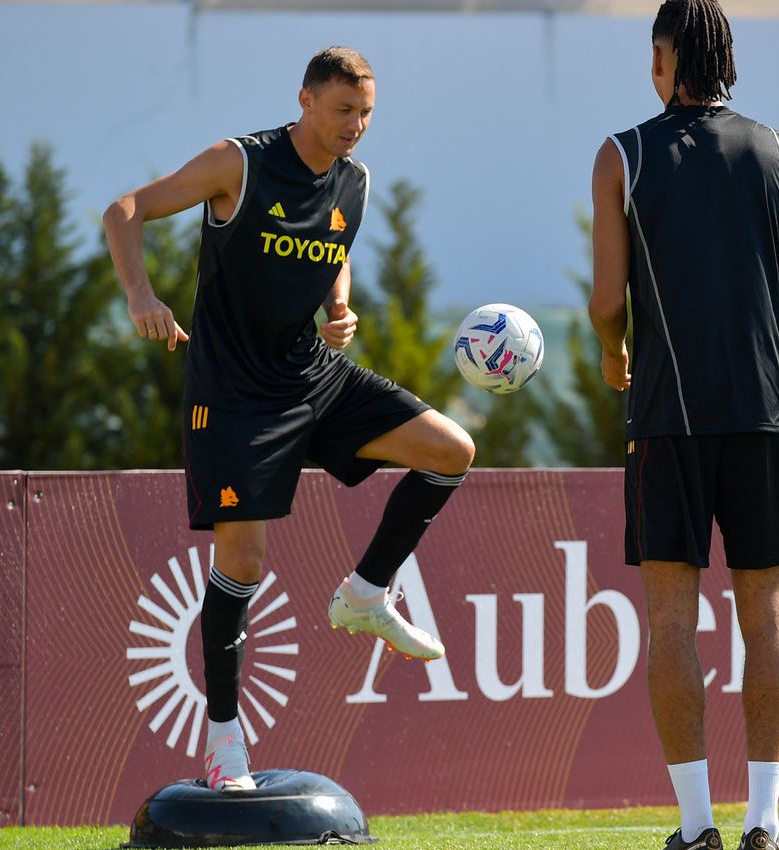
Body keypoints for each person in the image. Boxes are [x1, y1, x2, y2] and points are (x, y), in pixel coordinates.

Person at [103, 46, 474, 793]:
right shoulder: (237, 164)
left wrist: (338, 305)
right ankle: (223, 742)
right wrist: (142, 297)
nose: (355, 126)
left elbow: (331, 243)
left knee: (450, 449)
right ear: (304, 100)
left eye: (366, 113)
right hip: (233, 393)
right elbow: (126, 210)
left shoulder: (355, 180)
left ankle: (367, 593)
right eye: (342, 111)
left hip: (311, 373)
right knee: (242, 562)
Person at [588, 2, 779, 848]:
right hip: (763, 415)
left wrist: (615, 355)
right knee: (767, 617)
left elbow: (609, 302)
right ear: (729, 61)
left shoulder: (623, 155)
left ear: (659, 60)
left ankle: (693, 827)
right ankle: (765, 823)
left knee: (672, 619)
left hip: (666, 420)